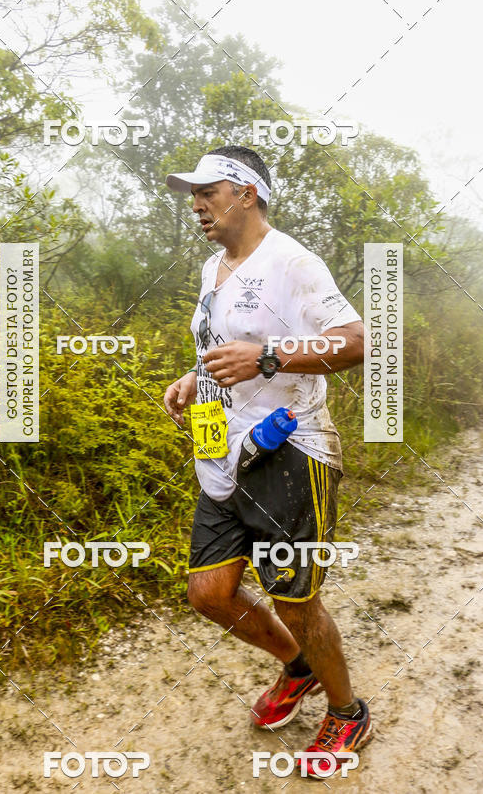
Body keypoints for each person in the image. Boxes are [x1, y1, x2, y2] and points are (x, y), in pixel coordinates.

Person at [163, 145, 372, 777]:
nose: (197, 204)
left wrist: (271, 357)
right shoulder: (212, 269)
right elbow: (224, 349)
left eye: (209, 192)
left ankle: (348, 711)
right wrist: (196, 378)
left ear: (247, 194)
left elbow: (357, 341)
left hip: (293, 449)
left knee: (295, 599)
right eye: (192, 195)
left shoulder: (292, 262)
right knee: (209, 592)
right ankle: (300, 669)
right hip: (223, 448)